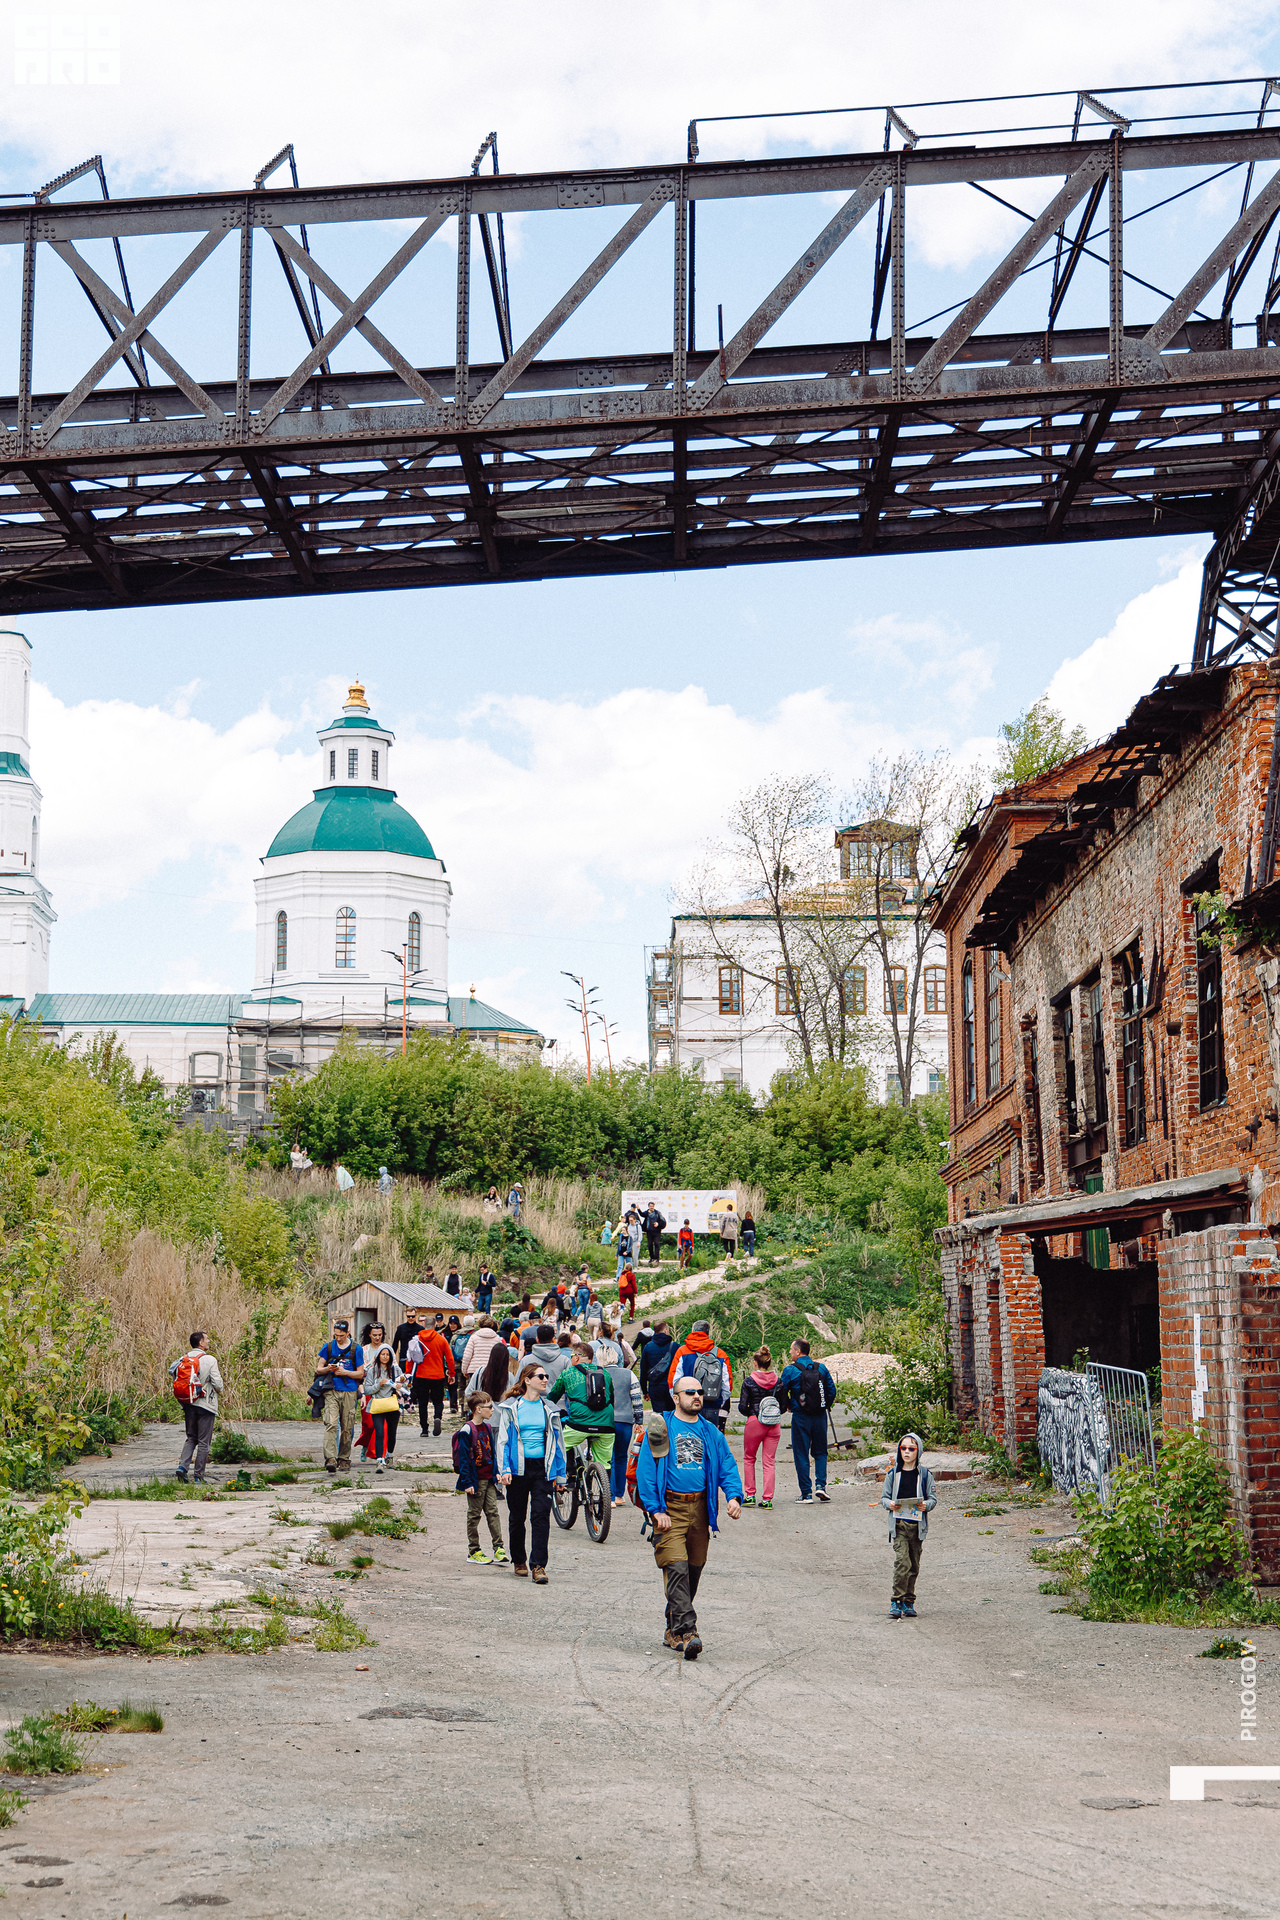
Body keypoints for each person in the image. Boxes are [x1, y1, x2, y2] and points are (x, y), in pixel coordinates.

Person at [636, 1376, 743, 1658]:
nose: (697, 1396)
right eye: (690, 1392)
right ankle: (688, 1631)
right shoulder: (662, 1427)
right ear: (676, 1397)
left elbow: (727, 1467)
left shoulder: (710, 1432)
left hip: (700, 1510)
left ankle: (673, 1630)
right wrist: (656, 1509)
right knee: (676, 1568)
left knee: (693, 1569)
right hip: (669, 1508)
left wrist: (733, 1496)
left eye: (700, 1392)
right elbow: (646, 1471)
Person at [496, 1360, 567, 1583]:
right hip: (517, 1469)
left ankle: (538, 1566)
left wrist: (561, 1474)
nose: (545, 1380)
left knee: (541, 1516)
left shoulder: (550, 1410)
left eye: (546, 1376)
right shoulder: (512, 1408)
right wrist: (504, 1469)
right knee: (517, 1517)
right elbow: (503, 1441)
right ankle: (519, 1560)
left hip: (542, 1470)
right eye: (541, 1376)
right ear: (527, 1380)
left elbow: (559, 1444)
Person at [881, 1432, 937, 1618]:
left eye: (911, 1449)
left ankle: (908, 1601)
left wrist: (925, 1506)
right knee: (902, 1563)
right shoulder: (893, 1474)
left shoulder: (925, 1475)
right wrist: (889, 1504)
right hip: (899, 1525)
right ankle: (896, 1600)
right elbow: (884, 1498)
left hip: (917, 1526)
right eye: (903, 1448)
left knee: (914, 1565)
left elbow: (933, 1499)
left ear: (918, 1451)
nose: (906, 1452)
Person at [778, 1338, 837, 1505]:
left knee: (801, 1453)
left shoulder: (790, 1370)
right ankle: (821, 1486)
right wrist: (824, 1405)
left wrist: (788, 1405)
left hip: (800, 1416)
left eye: (791, 1349)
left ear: (798, 1351)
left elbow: (781, 1391)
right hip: (820, 1415)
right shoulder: (821, 1368)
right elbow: (831, 1390)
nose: (790, 1352)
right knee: (820, 1452)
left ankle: (806, 1494)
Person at [548, 1338, 615, 1482]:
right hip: (606, 1426)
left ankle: (571, 1472)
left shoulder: (568, 1373)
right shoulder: (606, 1374)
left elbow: (552, 1398)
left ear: (577, 1357)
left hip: (579, 1424)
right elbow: (612, 1399)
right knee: (605, 1462)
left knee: (559, 1445)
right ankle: (605, 1496)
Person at [456, 1391, 509, 1565]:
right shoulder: (466, 1430)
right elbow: (464, 1460)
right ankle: (474, 1550)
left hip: (489, 1479)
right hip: (475, 1481)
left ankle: (499, 1548)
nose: (492, 1410)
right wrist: (467, 1482)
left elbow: (491, 1452)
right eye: (489, 1407)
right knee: (474, 1516)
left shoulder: (486, 1427)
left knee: (493, 1512)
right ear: (478, 1409)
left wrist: (496, 1472)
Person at [593, 1330, 643, 1506]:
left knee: (607, 1457)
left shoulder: (596, 1375)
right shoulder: (628, 1374)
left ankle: (610, 1496)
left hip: (603, 1421)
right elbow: (637, 1399)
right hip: (625, 1421)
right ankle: (619, 1495)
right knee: (621, 1456)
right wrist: (639, 1421)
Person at [170, 1330, 224, 1484]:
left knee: (191, 1437)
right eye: (206, 1339)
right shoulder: (209, 1360)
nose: (208, 1341)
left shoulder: (183, 1359)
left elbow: (173, 1374)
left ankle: (182, 1467)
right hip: (205, 1404)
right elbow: (218, 1384)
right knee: (203, 1442)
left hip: (188, 1403)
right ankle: (198, 1477)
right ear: (200, 1343)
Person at [316, 1318, 365, 1473]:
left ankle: (344, 1458)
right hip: (331, 1389)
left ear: (347, 1333)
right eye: (336, 1335)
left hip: (349, 1390)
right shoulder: (328, 1347)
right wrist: (328, 1369)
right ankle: (330, 1458)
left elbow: (360, 1373)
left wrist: (345, 1372)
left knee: (347, 1426)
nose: (338, 1338)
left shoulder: (356, 1349)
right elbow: (318, 1369)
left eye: (341, 1335)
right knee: (331, 1423)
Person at [667, 1320, 733, 1430]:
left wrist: (679, 1403)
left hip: (687, 1406)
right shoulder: (721, 1354)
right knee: (710, 1442)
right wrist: (719, 1403)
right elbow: (727, 1386)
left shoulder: (682, 1352)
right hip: (712, 1406)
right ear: (708, 1333)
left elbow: (673, 1381)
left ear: (693, 1331)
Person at [738, 1346, 783, 1508]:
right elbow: (783, 1406)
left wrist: (753, 1413)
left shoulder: (749, 1381)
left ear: (755, 1363)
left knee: (749, 1458)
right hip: (774, 1424)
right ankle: (767, 1499)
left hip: (755, 1422)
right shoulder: (778, 1381)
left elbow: (742, 1407)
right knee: (769, 1462)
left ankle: (750, 1495)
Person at [407, 1316, 455, 1437]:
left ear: (424, 1325)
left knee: (423, 1402)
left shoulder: (417, 1339)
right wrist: (451, 1373)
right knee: (438, 1401)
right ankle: (437, 1417)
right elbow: (449, 1358)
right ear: (434, 1325)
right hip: (437, 1375)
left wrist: (408, 1373)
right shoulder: (441, 1339)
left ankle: (424, 1429)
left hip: (421, 1375)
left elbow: (410, 1357)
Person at [364, 1344, 403, 1473]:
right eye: (383, 1354)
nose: (385, 1357)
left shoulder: (395, 1369)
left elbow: (405, 1384)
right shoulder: (372, 1370)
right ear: (378, 1355)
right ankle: (380, 1459)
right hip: (378, 1404)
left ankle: (389, 1455)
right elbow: (367, 1389)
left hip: (392, 1404)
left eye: (387, 1355)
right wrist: (378, 1385)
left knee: (392, 1433)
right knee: (379, 1432)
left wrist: (400, 1385)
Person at [356, 1321, 386, 1460]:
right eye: (374, 1335)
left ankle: (378, 1453)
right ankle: (365, 1444)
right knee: (368, 1423)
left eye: (380, 1335)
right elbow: (359, 1371)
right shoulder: (363, 1350)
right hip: (367, 1388)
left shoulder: (386, 1349)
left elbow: (394, 1367)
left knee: (381, 1425)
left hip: (383, 1391)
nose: (377, 1337)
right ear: (369, 1335)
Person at [640, 1319, 677, 1412]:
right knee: (672, 1415)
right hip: (671, 1387)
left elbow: (643, 1370)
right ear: (665, 1330)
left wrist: (644, 1391)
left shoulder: (648, 1347)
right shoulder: (675, 1346)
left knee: (659, 1417)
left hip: (655, 1387)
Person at [528, 1321, 570, 1388]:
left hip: (533, 1398)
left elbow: (518, 1384)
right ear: (553, 1339)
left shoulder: (526, 1360)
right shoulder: (565, 1361)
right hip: (558, 1398)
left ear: (537, 1339)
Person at [462, 1314, 501, 1380]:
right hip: (491, 1370)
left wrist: (464, 1370)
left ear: (479, 1324)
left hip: (474, 1370)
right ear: (491, 1324)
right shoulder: (497, 1338)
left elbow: (467, 1356)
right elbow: (500, 1356)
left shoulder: (474, 1337)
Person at [448, 1316, 470, 1417]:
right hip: (469, 1365)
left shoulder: (456, 1335)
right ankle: (467, 1408)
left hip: (457, 1364)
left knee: (460, 1387)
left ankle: (461, 1409)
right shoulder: (473, 1334)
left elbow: (449, 1352)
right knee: (468, 1386)